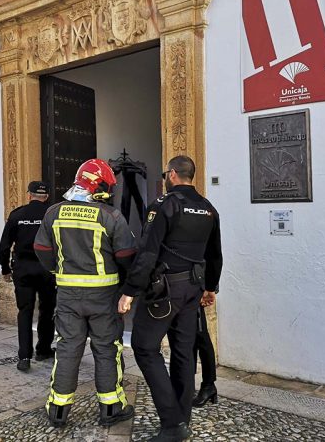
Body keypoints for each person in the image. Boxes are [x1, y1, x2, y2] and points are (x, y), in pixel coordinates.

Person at [118, 155, 222, 442]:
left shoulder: (164, 205)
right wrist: (210, 287)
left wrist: (129, 291)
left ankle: (172, 422)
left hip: (165, 290)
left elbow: (148, 252)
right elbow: (214, 254)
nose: (165, 177)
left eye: (166, 173)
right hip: (193, 288)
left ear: (173, 174)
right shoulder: (208, 208)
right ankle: (182, 417)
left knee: (144, 346)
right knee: (183, 352)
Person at [34, 158, 137, 428]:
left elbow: (42, 250)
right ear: (98, 186)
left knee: (68, 347)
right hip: (104, 295)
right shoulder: (111, 216)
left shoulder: (53, 213)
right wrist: (126, 283)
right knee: (106, 348)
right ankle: (111, 407)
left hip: (68, 294)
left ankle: (58, 408)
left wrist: (59, 271)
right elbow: (126, 255)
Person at [0, 180, 57, 372]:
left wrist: (5, 269)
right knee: (47, 310)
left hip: (23, 270)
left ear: (29, 194)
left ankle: (24, 356)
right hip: (47, 269)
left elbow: (5, 245)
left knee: (25, 311)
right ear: (46, 196)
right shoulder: (52, 215)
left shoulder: (17, 215)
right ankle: (44, 349)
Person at [192, 298, 218, 407]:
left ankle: (209, 385)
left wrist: (207, 289)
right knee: (190, 338)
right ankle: (187, 383)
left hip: (195, 288)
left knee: (201, 336)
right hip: (184, 289)